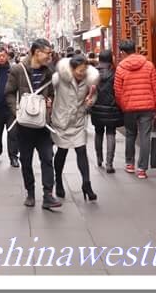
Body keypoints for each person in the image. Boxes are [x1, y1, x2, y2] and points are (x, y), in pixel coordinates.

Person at [6, 38, 61, 210]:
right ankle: (30, 192)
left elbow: (52, 92)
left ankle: (48, 195)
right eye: (48, 53)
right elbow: (8, 93)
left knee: (47, 158)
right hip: (24, 126)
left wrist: (50, 101)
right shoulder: (18, 70)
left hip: (43, 124)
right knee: (26, 160)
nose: (50, 56)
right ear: (37, 53)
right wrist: (18, 112)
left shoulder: (50, 72)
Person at [50, 55, 99, 201]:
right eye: (79, 70)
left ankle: (86, 184)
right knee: (62, 151)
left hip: (78, 120)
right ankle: (58, 180)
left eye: (84, 70)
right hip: (62, 121)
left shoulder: (89, 80)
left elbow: (93, 94)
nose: (82, 73)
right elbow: (48, 91)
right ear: (71, 69)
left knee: (81, 150)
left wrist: (89, 103)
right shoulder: (59, 78)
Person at [114, 40, 156, 179]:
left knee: (130, 134)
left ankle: (130, 164)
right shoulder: (148, 65)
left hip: (129, 107)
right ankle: (142, 169)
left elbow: (118, 91)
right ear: (135, 49)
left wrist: (124, 105)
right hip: (147, 107)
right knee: (145, 136)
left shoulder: (120, 68)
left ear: (123, 52)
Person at [90, 50, 123, 174]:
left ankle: (99, 159)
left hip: (97, 108)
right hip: (111, 108)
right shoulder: (114, 73)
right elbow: (118, 90)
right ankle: (109, 164)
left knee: (98, 132)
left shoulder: (93, 73)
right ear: (110, 59)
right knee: (111, 133)